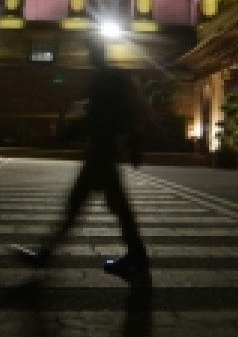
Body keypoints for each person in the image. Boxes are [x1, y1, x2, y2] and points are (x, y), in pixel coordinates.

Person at [13, 37, 148, 277]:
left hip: (101, 153)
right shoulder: (112, 77)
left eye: (91, 52)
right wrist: (134, 144)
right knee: (112, 206)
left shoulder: (106, 79)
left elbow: (100, 118)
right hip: (103, 151)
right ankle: (136, 254)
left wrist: (63, 135)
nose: (89, 56)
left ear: (98, 53)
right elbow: (129, 113)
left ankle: (46, 254)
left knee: (81, 205)